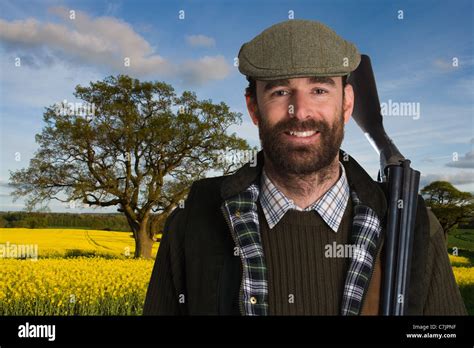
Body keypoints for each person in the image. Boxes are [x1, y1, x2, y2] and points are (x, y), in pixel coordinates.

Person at [143, 19, 467, 315]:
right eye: (281, 91)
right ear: (253, 107)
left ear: (347, 104)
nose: (300, 111)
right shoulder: (191, 225)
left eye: (319, 90)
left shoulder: (413, 227)